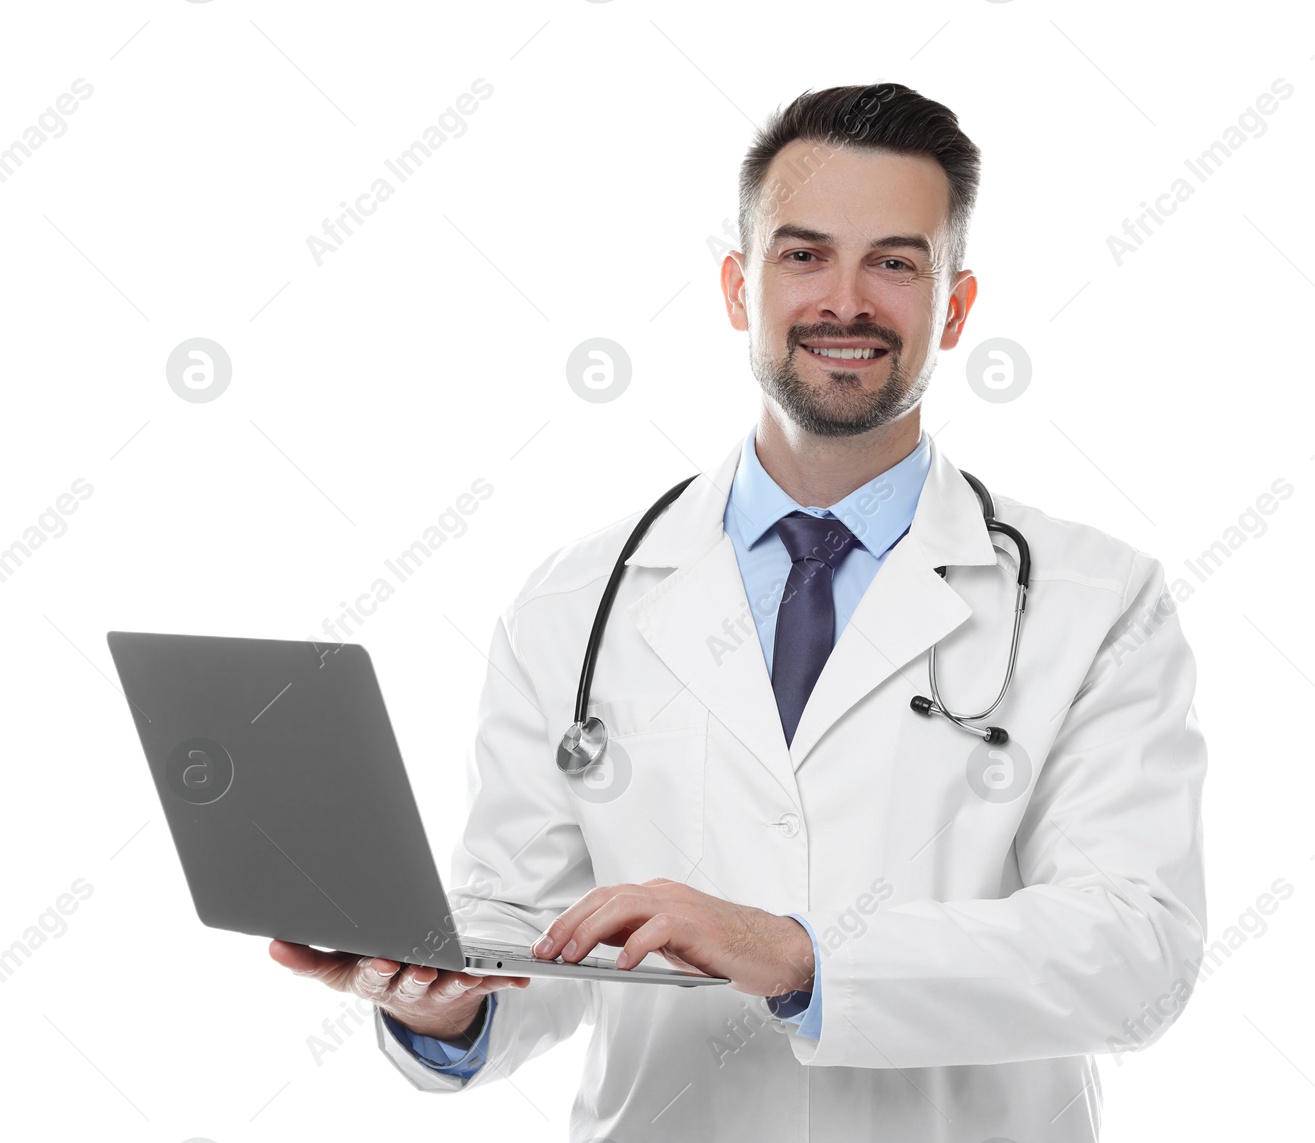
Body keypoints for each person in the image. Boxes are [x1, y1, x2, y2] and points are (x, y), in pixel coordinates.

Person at [270, 81, 1208, 1142]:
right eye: (803, 255)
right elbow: (529, 929)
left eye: (894, 262)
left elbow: (1135, 954)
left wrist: (802, 954)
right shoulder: (576, 601)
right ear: (735, 285)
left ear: (954, 306)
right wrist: (448, 999)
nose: (844, 301)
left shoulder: (1095, 601)